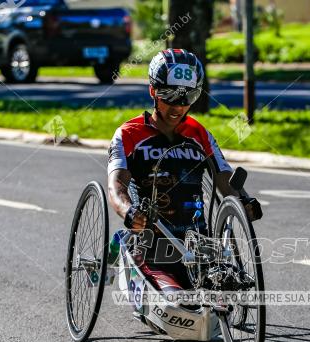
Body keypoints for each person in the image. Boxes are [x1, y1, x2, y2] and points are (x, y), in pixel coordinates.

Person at [107, 48, 261, 293]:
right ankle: (124, 247)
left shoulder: (200, 133)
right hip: (153, 246)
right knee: (178, 302)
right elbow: (116, 187)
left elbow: (224, 179)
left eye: (188, 96)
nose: (178, 106)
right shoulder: (128, 134)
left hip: (199, 246)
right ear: (153, 91)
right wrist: (128, 212)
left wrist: (244, 200)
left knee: (225, 295)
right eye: (169, 95)